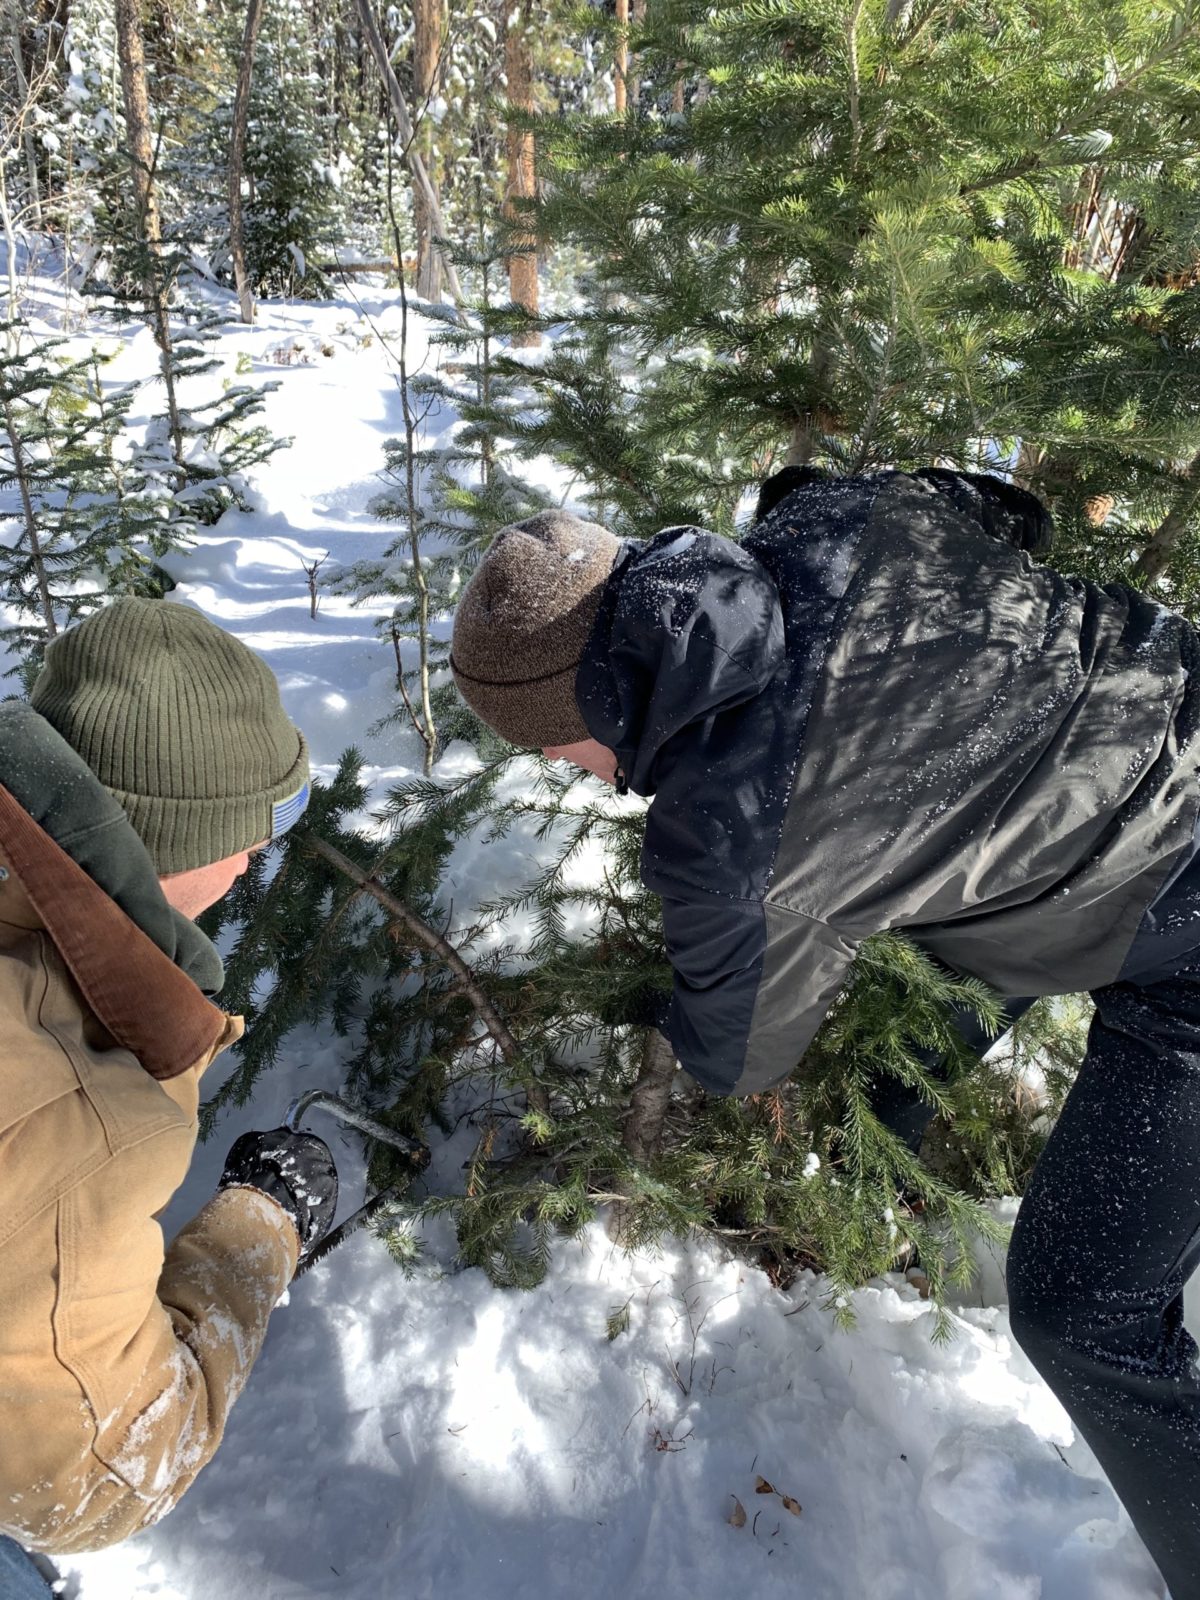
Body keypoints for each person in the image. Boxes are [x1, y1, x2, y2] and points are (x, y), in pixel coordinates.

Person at [450, 467, 1200, 1598]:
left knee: (1084, 1311)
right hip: (1173, 692)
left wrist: (674, 996)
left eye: (561, 756)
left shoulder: (729, 832)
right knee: (957, 949)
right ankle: (884, 1138)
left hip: (1181, 924)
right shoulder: (823, 514)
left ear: (593, 714)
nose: (591, 786)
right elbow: (1008, 512)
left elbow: (740, 1050)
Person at [0, 598, 339, 1566]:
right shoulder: (76, 1114)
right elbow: (104, 1476)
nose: (255, 859)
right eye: (255, 832)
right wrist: (259, 1226)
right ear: (173, 846)